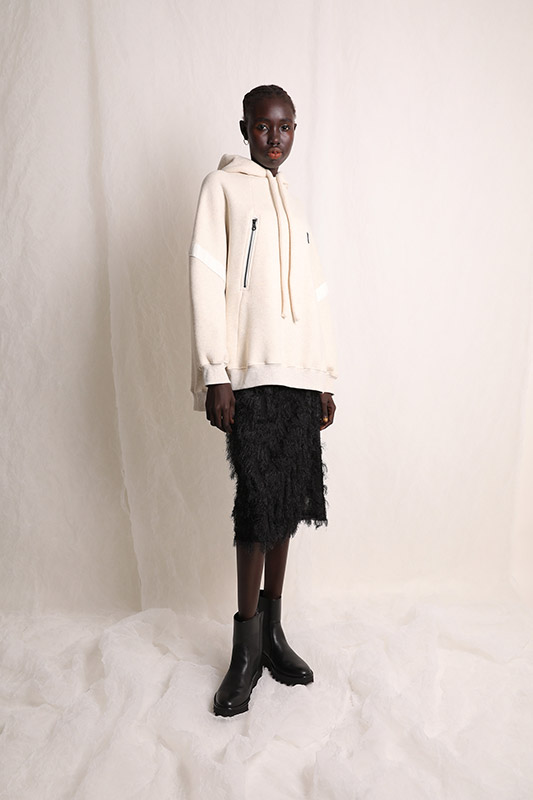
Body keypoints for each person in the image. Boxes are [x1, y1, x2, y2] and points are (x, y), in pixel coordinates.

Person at [189, 84, 338, 717]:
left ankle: (274, 635)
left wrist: (324, 375)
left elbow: (317, 294)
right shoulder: (221, 189)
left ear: (294, 130)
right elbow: (204, 276)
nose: (274, 138)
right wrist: (215, 371)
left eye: (285, 128)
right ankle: (245, 647)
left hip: (299, 374)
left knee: (288, 500)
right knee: (255, 505)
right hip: (248, 373)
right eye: (262, 127)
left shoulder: (295, 206)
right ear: (245, 128)